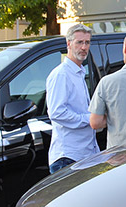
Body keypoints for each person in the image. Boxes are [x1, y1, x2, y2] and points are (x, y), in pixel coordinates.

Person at [46, 24, 99, 173]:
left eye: (87, 42)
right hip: (68, 158)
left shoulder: (79, 72)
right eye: (79, 42)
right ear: (68, 43)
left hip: (84, 155)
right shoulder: (61, 75)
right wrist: (90, 119)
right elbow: (57, 113)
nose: (84, 47)